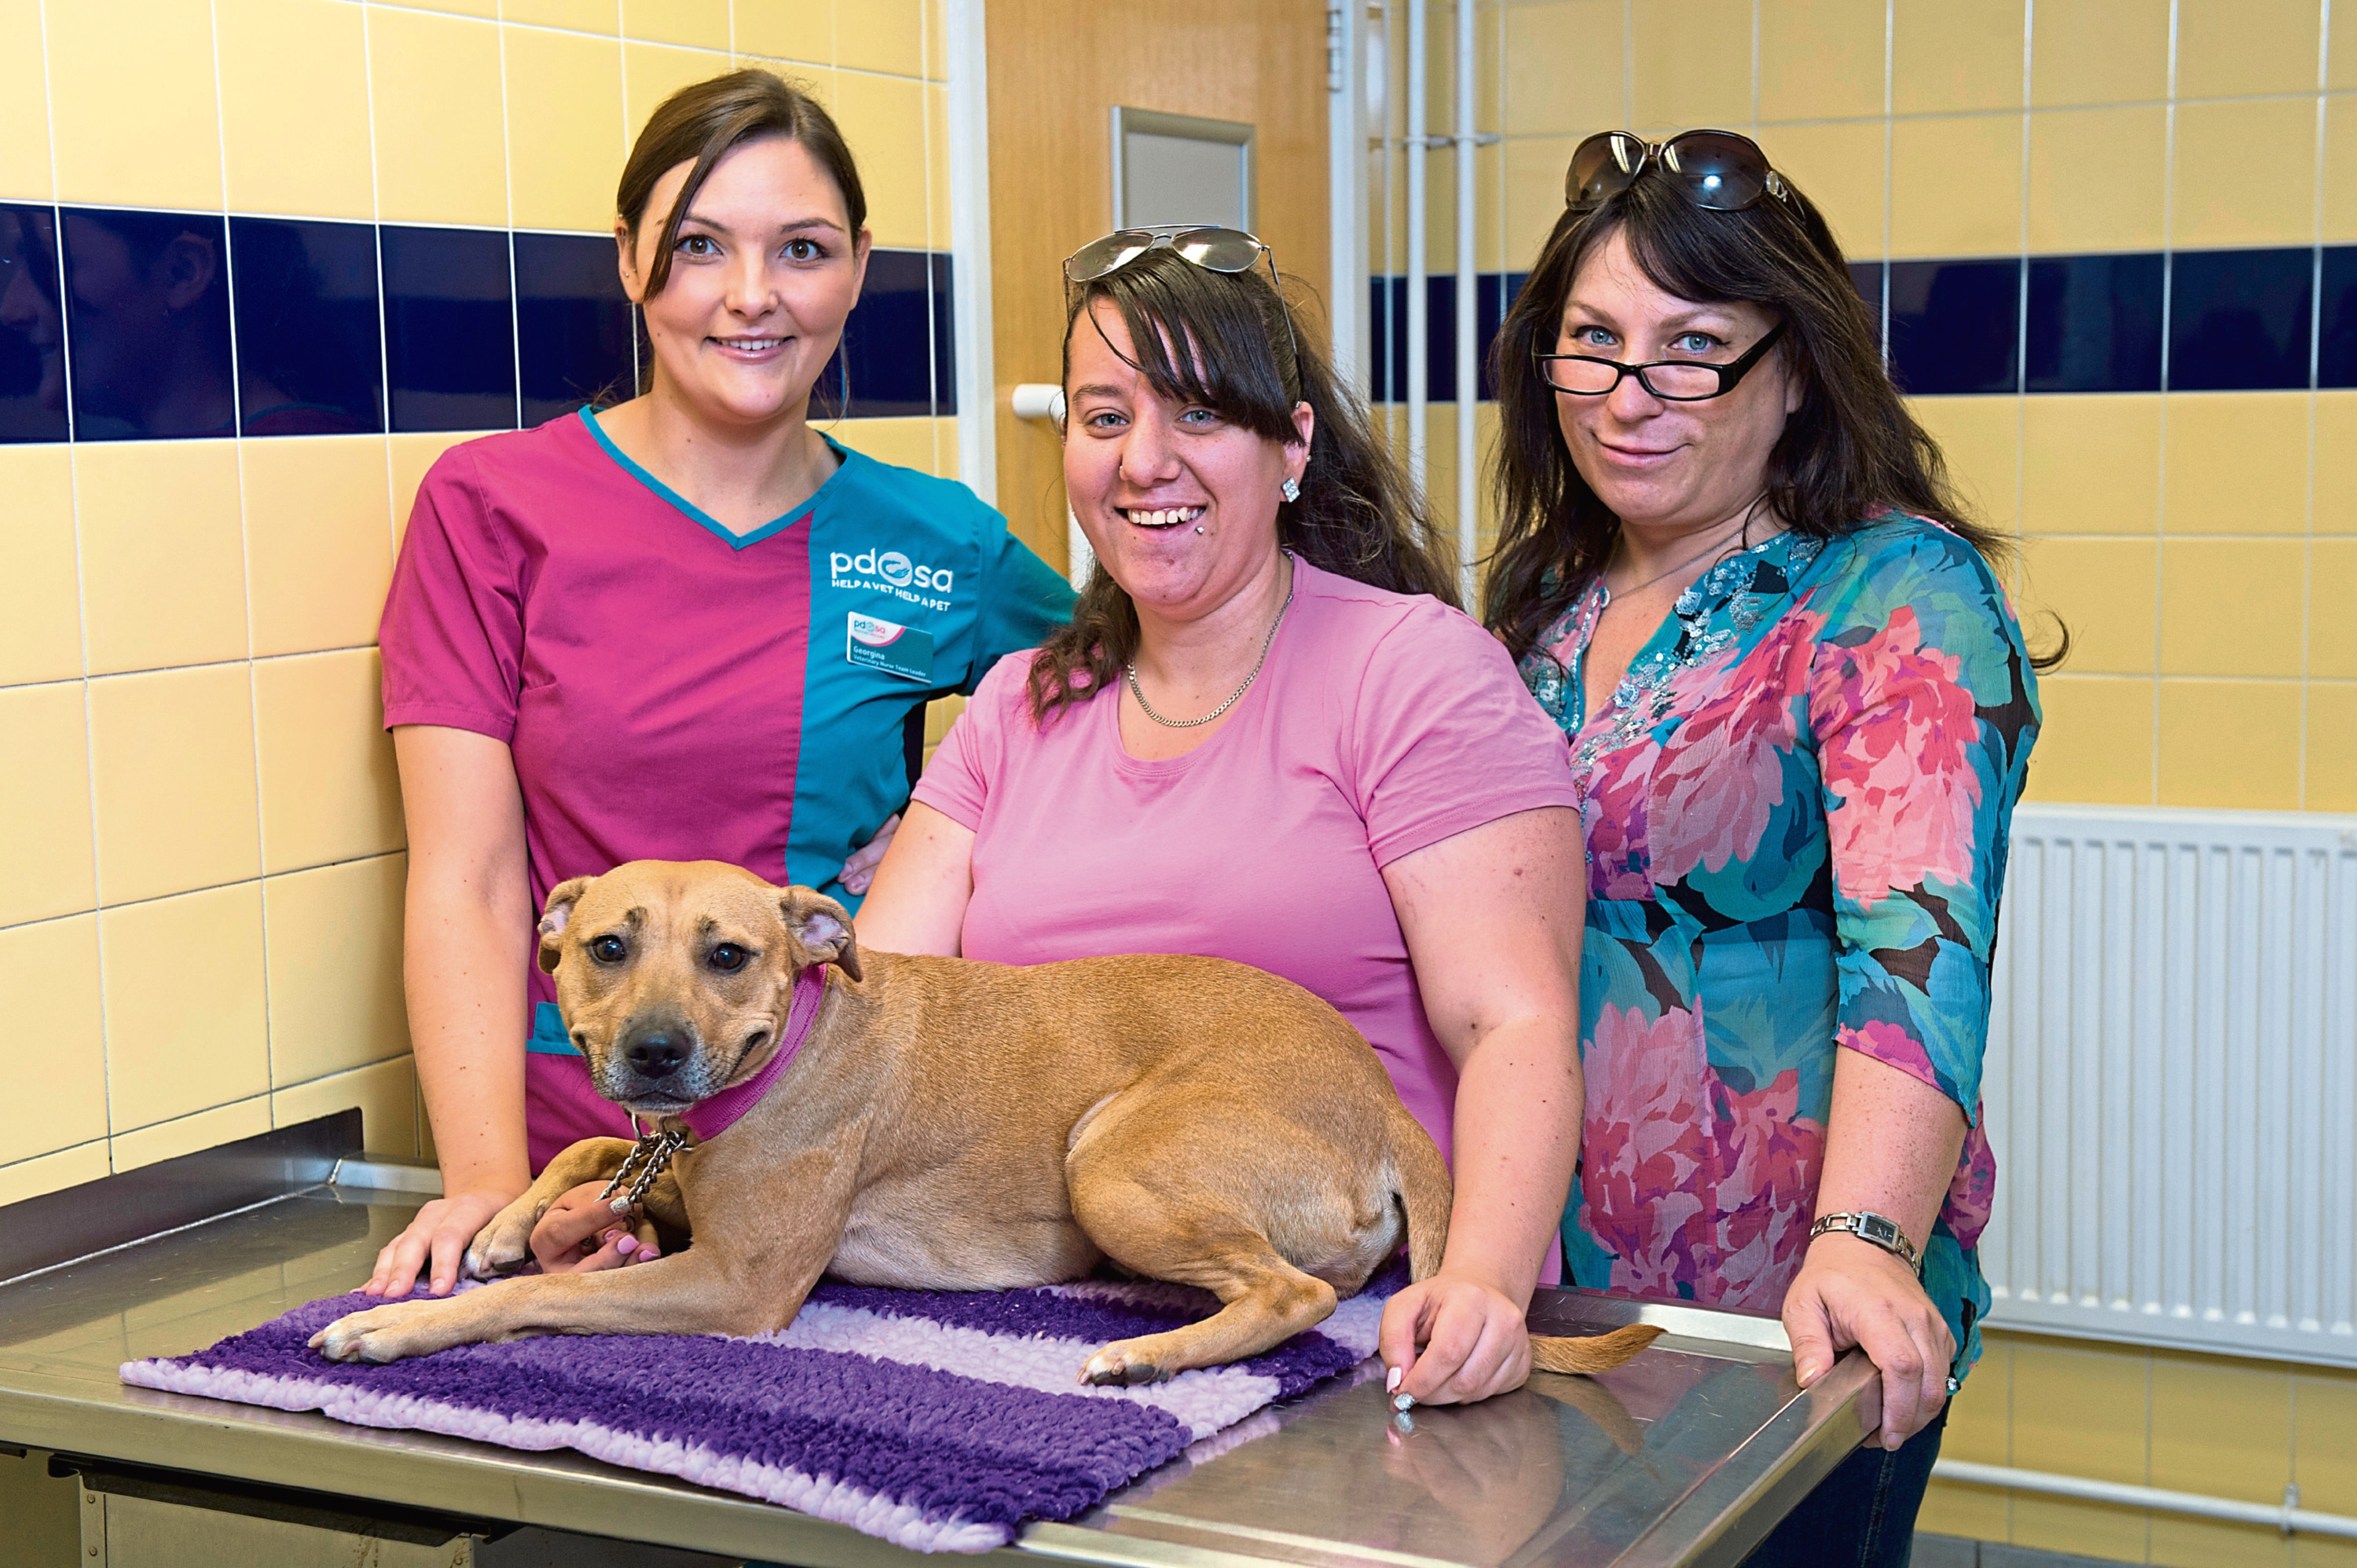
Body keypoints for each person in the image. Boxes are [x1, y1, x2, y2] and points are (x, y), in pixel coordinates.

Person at [365, 69, 1075, 1299]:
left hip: (840, 1188)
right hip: (575, 1178)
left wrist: (926, 868)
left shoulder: (938, 540)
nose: (753, 297)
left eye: (801, 249)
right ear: (633, 260)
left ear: (858, 266)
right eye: (700, 247)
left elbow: (1127, 728)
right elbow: (470, 881)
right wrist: (484, 1185)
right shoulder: (492, 508)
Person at [856, 228, 1589, 1405]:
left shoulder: (1413, 672)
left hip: (1376, 1323)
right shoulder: (1016, 706)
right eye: (1104, 419)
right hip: (1054, 1331)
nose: (1146, 461)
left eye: (1199, 415)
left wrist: (1487, 1289)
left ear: (1292, 444)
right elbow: (869, 1019)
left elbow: (1514, 1026)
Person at [1484, 130, 2050, 1563]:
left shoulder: (1892, 591)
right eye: (1592, 343)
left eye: (1694, 348)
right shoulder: (1544, 596)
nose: (1628, 396)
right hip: (1551, 1296)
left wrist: (1864, 1236)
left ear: (1793, 367)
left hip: (1783, 1321)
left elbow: (1919, 953)